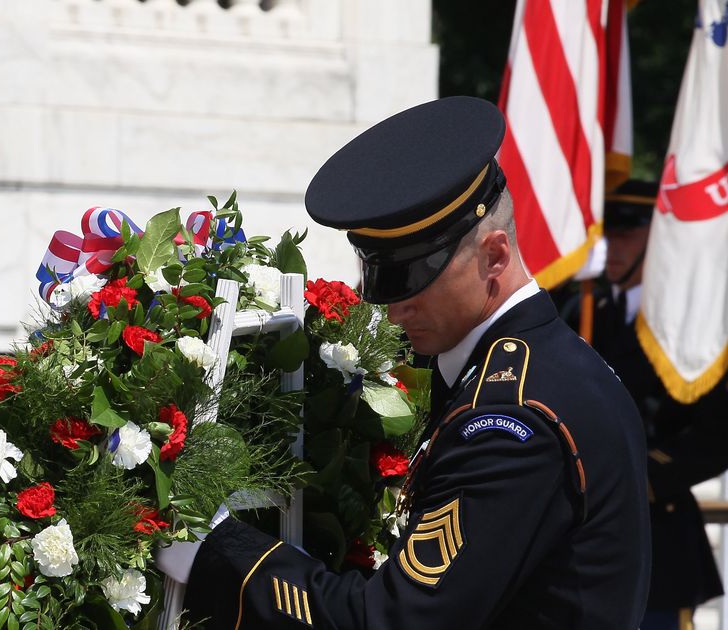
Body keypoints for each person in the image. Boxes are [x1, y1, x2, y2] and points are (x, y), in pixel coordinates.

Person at [160, 96, 650, 628]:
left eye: (416, 282)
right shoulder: (550, 366)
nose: (395, 310)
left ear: (495, 256)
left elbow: (392, 621)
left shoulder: (509, 423)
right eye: (382, 281)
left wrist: (221, 553)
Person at [581, 180, 728, 630]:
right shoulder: (583, 313)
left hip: (656, 533)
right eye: (607, 234)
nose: (611, 247)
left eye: (626, 234)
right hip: (586, 544)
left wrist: (639, 475)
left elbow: (717, 435)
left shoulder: (694, 329)